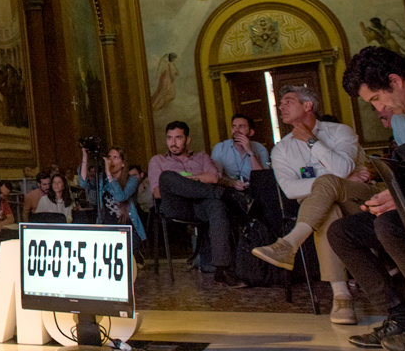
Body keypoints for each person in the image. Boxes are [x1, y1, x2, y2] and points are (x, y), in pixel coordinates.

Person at [330, 47, 405, 351]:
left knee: (389, 226)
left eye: (376, 99)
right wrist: (395, 194)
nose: (380, 108)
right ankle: (399, 317)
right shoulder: (401, 123)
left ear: (395, 81)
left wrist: (404, 199)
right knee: (342, 232)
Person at [253, 84, 371, 324]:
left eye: (288, 101)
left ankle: (290, 243)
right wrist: (332, 182)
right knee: (328, 209)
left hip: (360, 201)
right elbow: (289, 190)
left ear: (307, 106)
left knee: (329, 187)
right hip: (322, 210)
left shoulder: (340, 132)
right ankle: (341, 297)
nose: (280, 106)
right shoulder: (282, 149)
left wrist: (311, 141)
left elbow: (343, 169)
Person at [148, 121, 242, 286]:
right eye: (169, 138)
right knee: (167, 177)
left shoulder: (202, 157)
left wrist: (184, 181)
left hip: (200, 205)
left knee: (217, 206)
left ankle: (222, 269)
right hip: (176, 206)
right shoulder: (158, 161)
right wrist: (196, 179)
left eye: (178, 138)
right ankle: (225, 194)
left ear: (187, 140)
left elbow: (213, 178)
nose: (173, 143)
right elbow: (157, 191)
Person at [80, 146, 144, 256]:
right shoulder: (102, 180)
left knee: (118, 252)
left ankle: (136, 256)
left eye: (115, 157)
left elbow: (121, 197)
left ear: (123, 163)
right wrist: (85, 157)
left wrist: (109, 174)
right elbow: (83, 183)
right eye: (109, 157)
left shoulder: (132, 180)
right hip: (107, 227)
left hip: (127, 229)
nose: (111, 161)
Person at [211, 114, 269, 190]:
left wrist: (249, 151)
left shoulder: (260, 149)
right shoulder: (220, 148)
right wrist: (232, 183)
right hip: (230, 189)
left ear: (251, 132)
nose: (236, 130)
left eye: (241, 126)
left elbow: (262, 178)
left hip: (255, 189)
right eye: (234, 126)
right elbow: (216, 178)